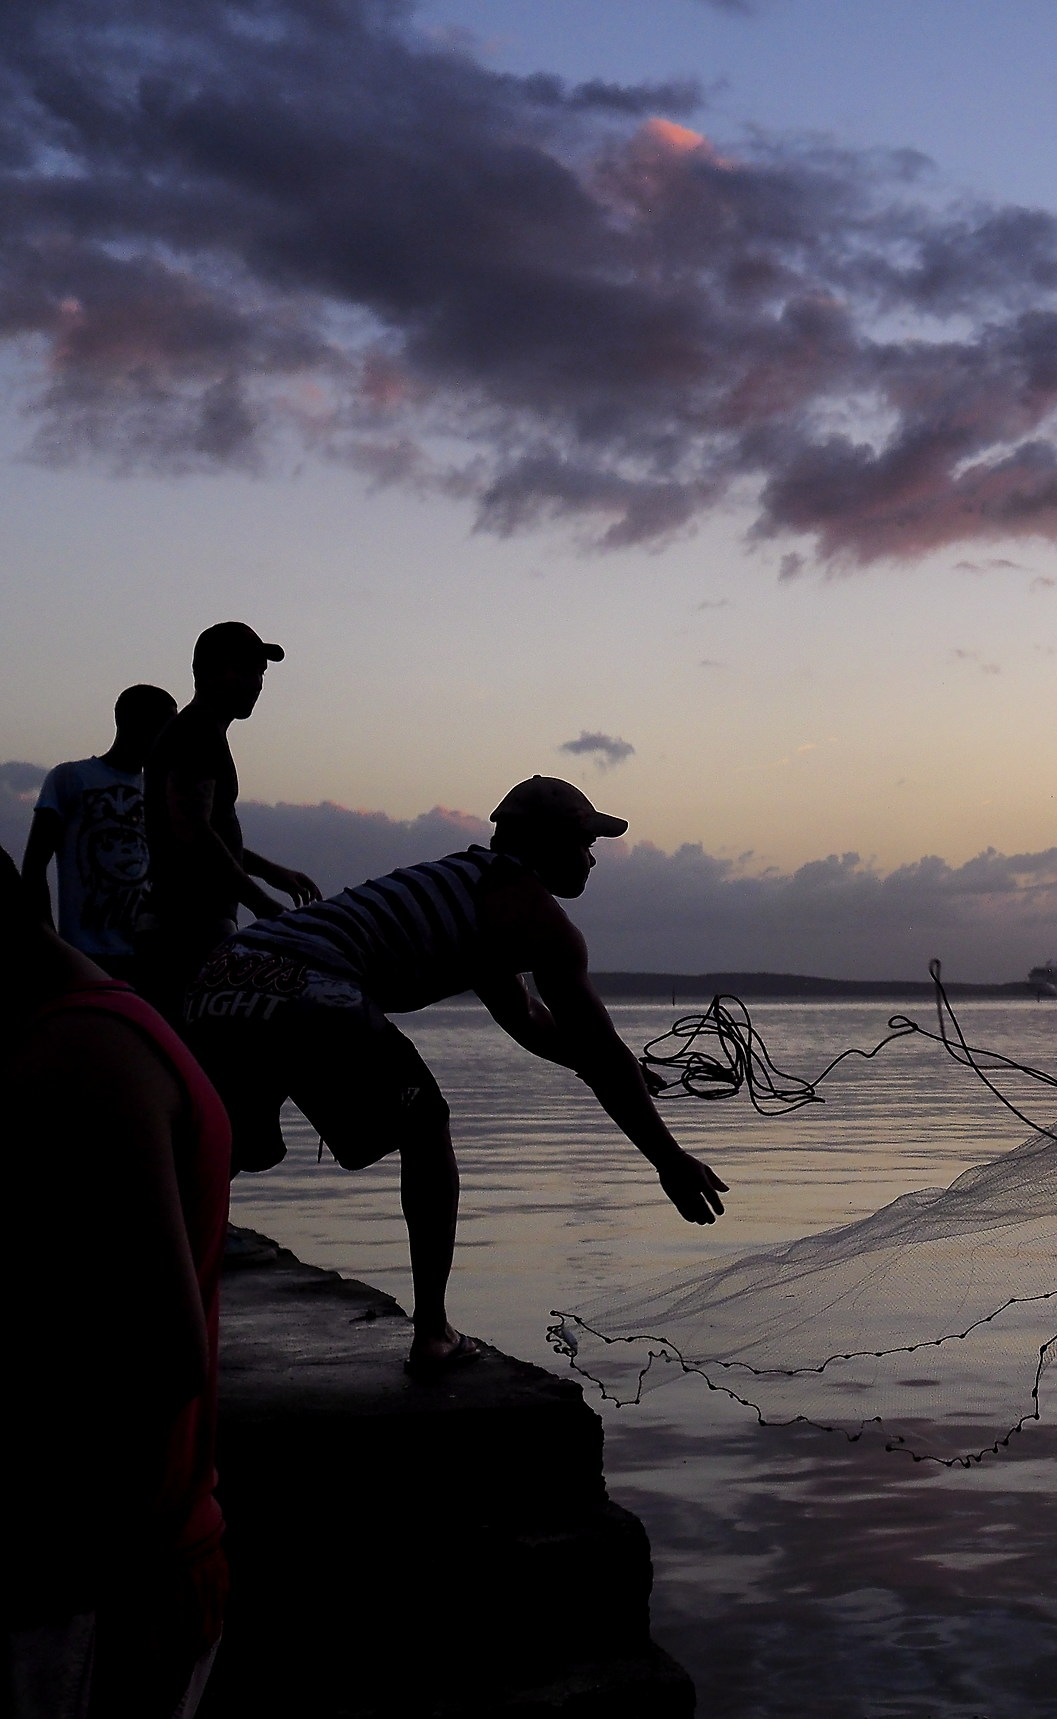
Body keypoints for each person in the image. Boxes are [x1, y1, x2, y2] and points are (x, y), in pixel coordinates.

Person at [183, 775, 726, 1373]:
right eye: (584, 841)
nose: (593, 857)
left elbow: (533, 1023)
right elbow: (593, 1046)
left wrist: (623, 1067)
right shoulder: (536, 917)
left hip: (220, 976)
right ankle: (433, 1331)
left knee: (231, 1148)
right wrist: (669, 1160)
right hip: (309, 985)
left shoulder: (472, 889)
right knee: (425, 1123)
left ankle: (152, 1292)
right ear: (547, 844)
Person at [0, 849, 230, 1719]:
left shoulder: (79, 1059)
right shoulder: (96, 1032)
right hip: (121, 1572)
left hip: (85, 1590)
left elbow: (161, 1350)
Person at [139, 623, 320, 1025]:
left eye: (261, 674)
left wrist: (272, 872)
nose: (258, 684)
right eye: (249, 672)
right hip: (187, 930)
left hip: (185, 927)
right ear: (216, 671)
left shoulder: (198, 731)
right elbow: (192, 830)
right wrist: (262, 904)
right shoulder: (198, 730)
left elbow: (203, 828)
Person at [21, 685, 179, 980]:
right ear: (133, 723)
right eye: (165, 728)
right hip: (83, 954)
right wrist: (49, 939)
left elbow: (200, 840)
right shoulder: (70, 778)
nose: (170, 741)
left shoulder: (161, 793)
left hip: (145, 955)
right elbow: (33, 866)